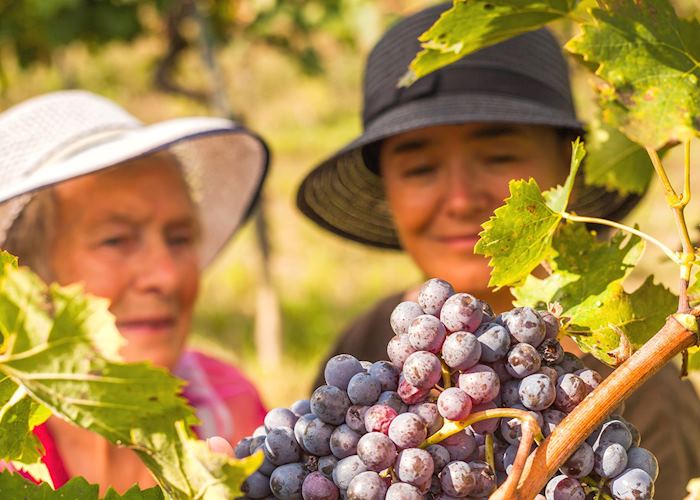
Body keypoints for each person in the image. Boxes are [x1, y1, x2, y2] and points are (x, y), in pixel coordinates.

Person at [296, 4, 700, 498]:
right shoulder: (363, 341)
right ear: (388, 191)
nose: (462, 199)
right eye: (420, 167)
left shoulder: (634, 377)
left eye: (499, 156)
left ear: (566, 174)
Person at [0, 90, 269, 493]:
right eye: (116, 240)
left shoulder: (231, 408)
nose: (166, 276)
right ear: (25, 273)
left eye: (179, 238)